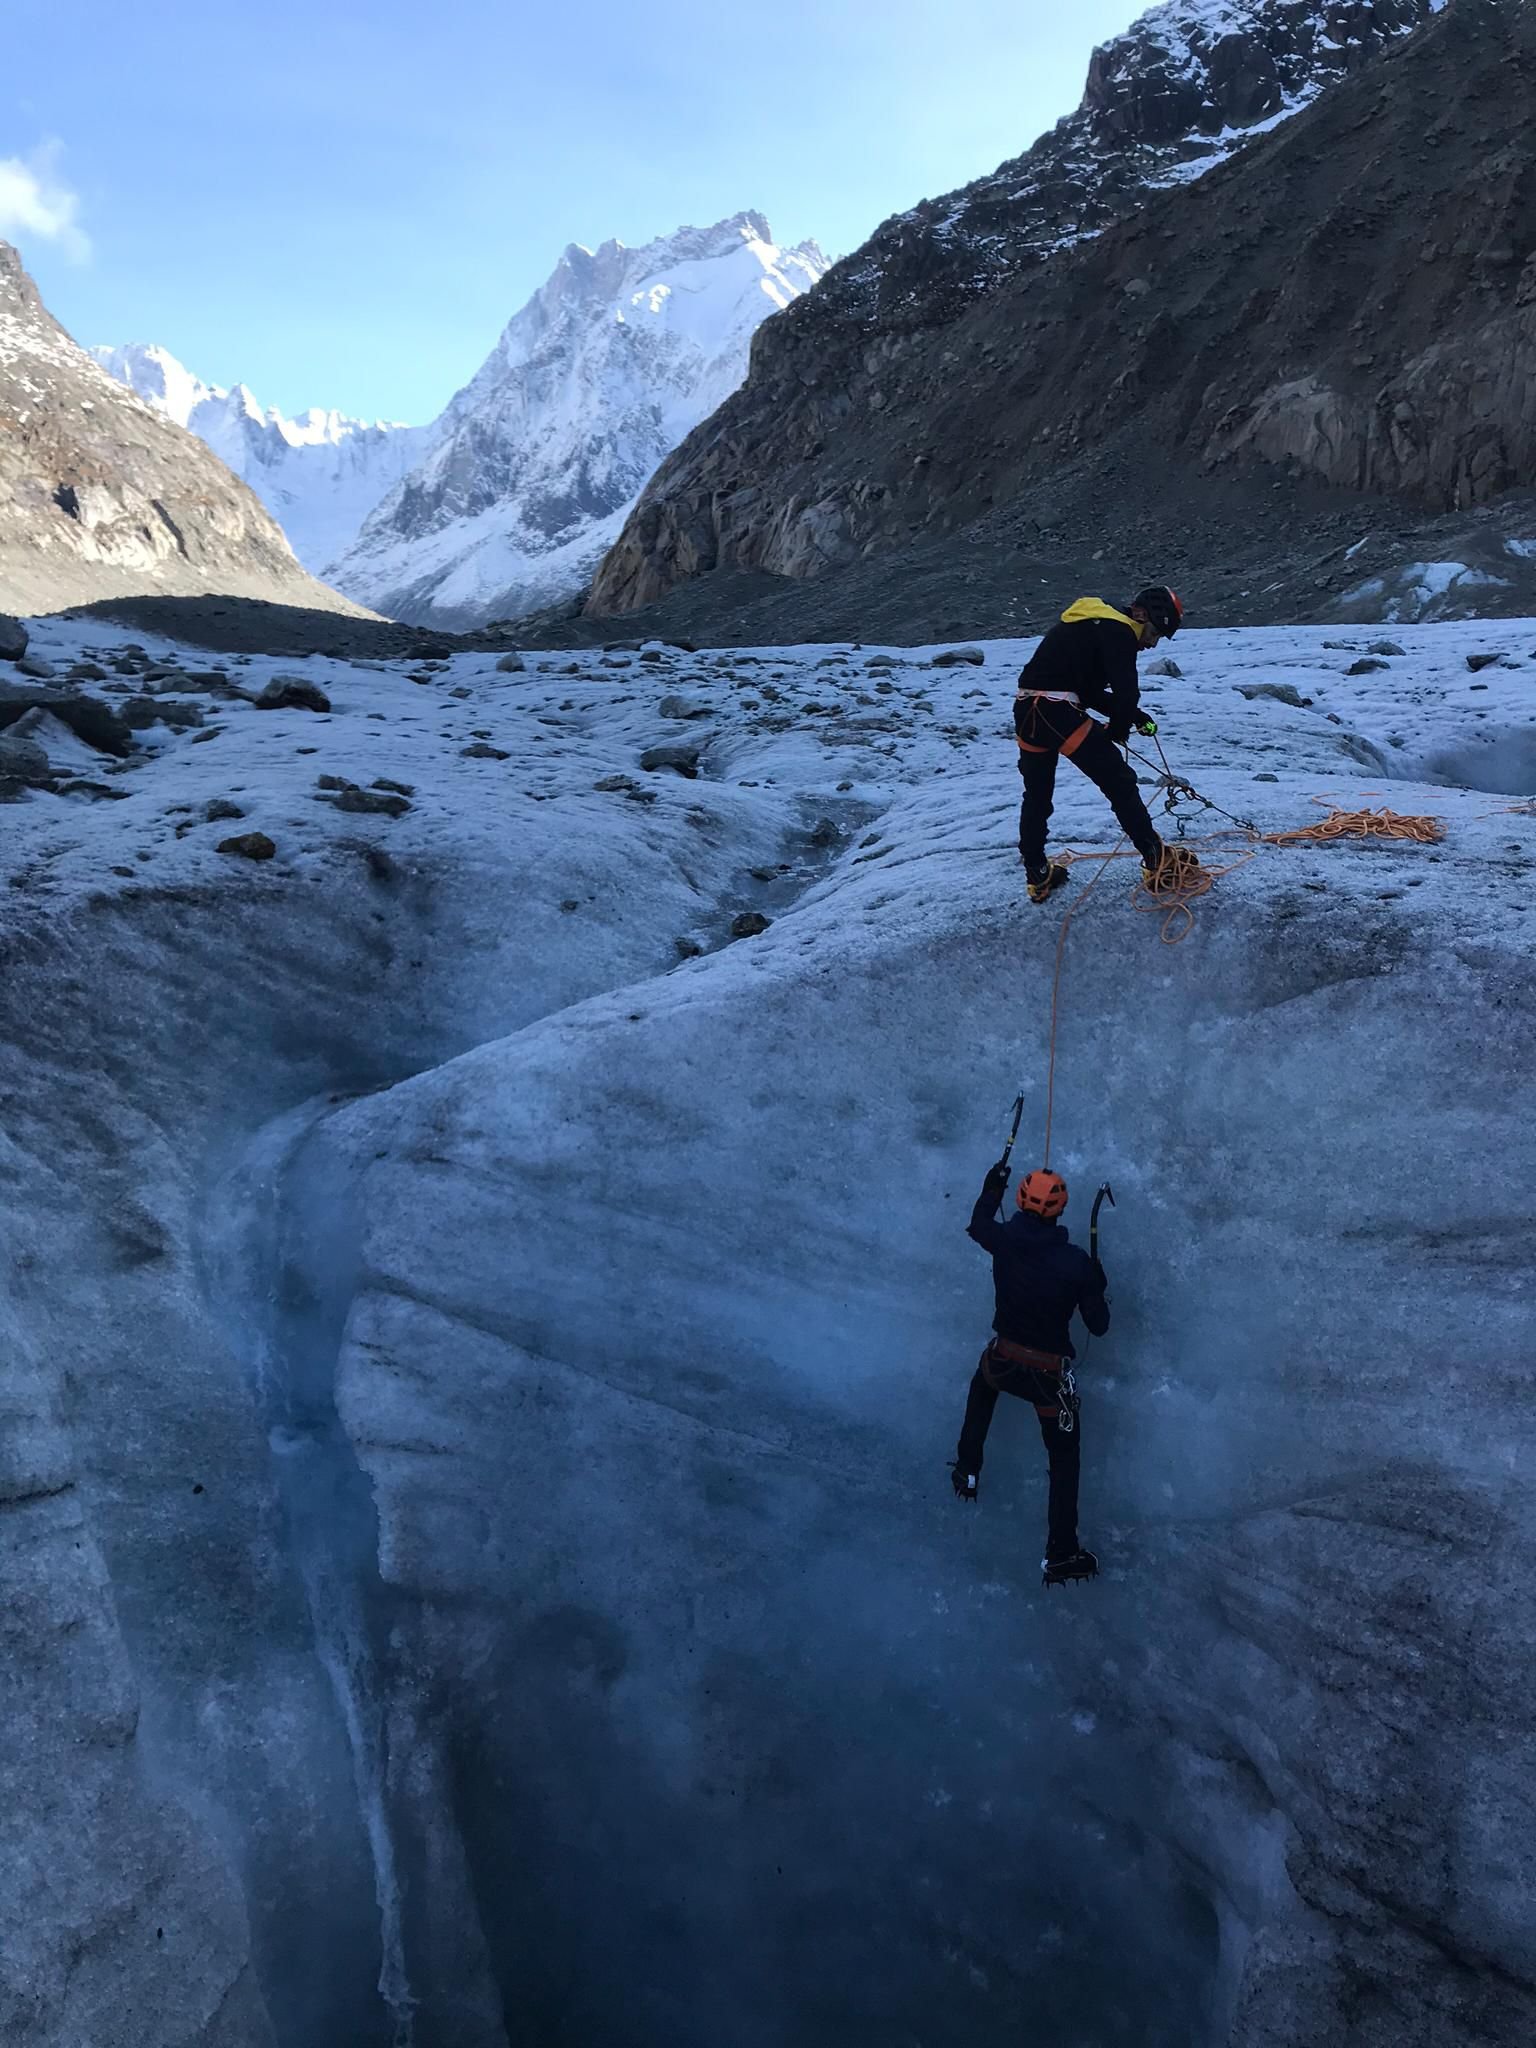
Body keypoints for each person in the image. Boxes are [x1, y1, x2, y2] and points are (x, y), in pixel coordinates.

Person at [950, 1155, 1108, 1586]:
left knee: (982, 1387)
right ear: (1060, 1208)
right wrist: (1096, 1281)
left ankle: (967, 1468)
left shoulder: (1002, 1239)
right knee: (1063, 1458)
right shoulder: (1076, 1263)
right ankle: (1060, 1553)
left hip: (1003, 1361)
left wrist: (992, 1185)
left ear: (1020, 1201)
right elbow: (1099, 1325)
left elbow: (979, 1221)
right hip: (1046, 1380)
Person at [1014, 585, 1199, 904]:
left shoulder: (1093, 624)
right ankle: (1157, 861)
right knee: (1119, 781)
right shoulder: (1120, 631)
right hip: (1055, 712)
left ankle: (1038, 875)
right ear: (1141, 615)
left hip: (1028, 710)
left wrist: (1135, 717)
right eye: (1154, 632)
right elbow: (1127, 692)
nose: (1152, 643)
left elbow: (1087, 692)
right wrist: (1118, 729)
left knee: (1038, 797)